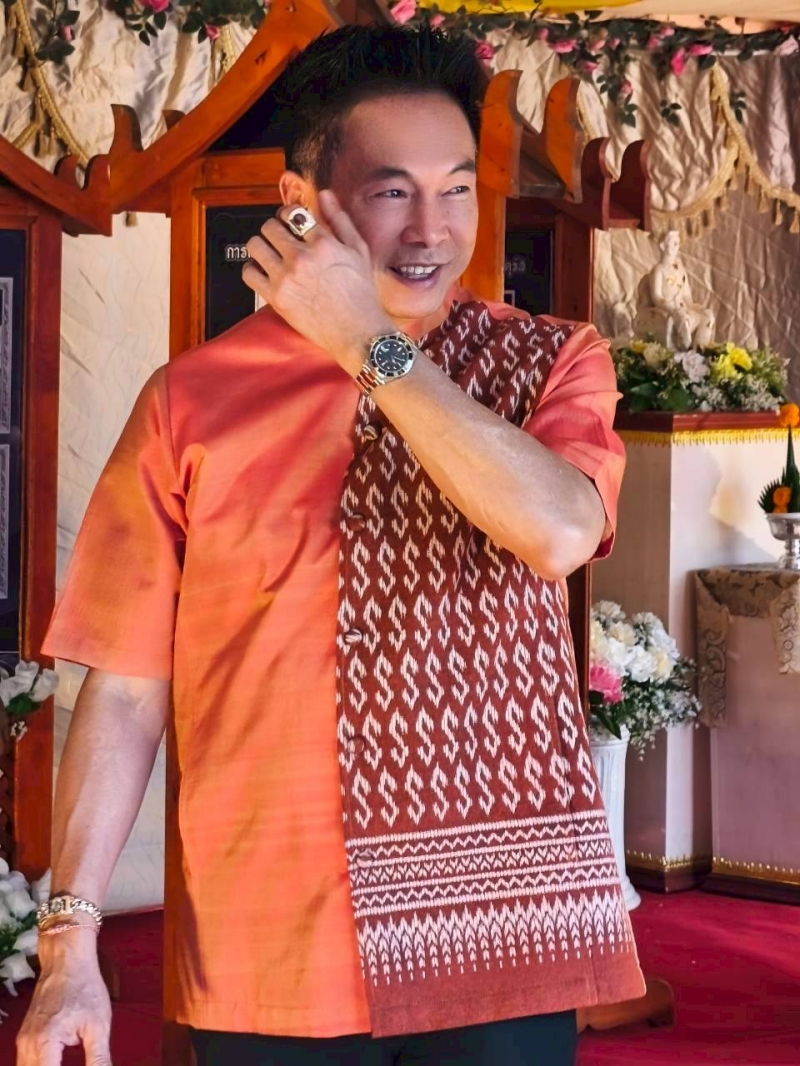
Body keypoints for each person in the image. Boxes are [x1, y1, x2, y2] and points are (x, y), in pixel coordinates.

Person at [19, 24, 645, 1066]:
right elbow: (123, 692)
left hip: (498, 926)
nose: (432, 228)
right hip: (268, 940)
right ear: (300, 198)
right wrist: (68, 944)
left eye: (456, 189)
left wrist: (367, 343)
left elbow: (557, 531)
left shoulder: (546, 361)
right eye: (392, 191)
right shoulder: (191, 401)